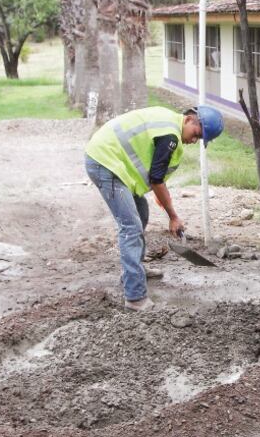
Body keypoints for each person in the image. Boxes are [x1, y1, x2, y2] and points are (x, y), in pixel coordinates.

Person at [85, 106, 224, 311]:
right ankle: (135, 297)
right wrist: (173, 216)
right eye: (196, 135)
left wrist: (161, 194)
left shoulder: (169, 122)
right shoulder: (170, 135)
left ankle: (135, 270)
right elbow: (156, 179)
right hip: (105, 162)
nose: (194, 141)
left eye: (200, 140)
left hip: (114, 161)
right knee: (130, 227)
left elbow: (155, 174)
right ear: (189, 120)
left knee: (141, 212)